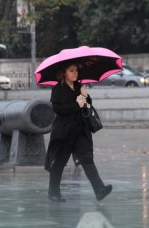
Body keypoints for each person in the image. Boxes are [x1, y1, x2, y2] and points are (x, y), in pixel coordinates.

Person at [45, 61, 112, 202]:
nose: (75, 73)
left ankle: (99, 189)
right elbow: (58, 110)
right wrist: (77, 104)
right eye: (71, 70)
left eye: (76, 70)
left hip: (81, 130)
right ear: (64, 73)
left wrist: (86, 96)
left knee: (87, 159)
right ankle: (53, 193)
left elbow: (87, 105)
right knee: (59, 163)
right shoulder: (57, 89)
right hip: (64, 132)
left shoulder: (79, 87)